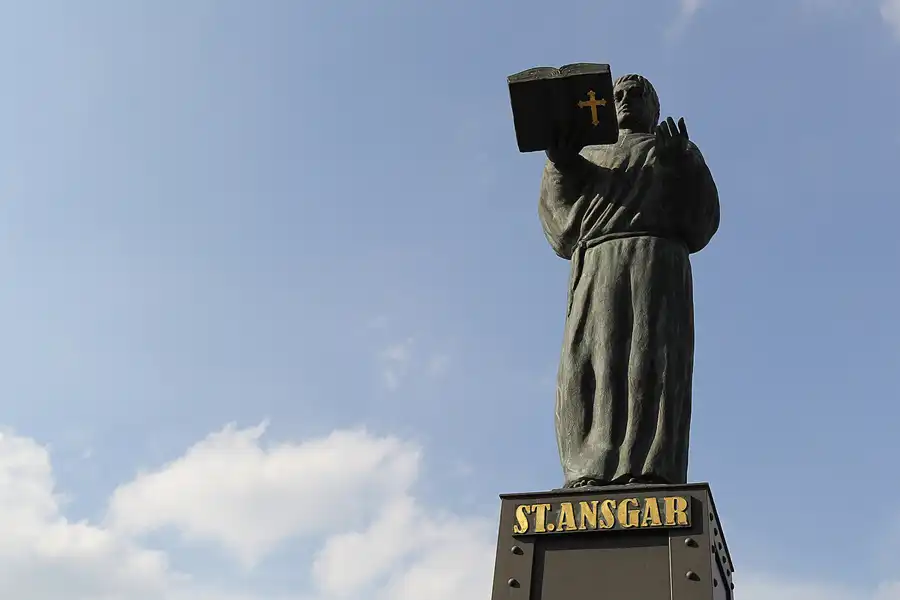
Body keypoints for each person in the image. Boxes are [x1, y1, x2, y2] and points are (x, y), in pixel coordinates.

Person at [539, 73, 720, 488]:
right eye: (617, 94)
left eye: (636, 94)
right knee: (590, 365)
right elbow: (559, 229)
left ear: (654, 106)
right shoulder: (587, 152)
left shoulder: (675, 150)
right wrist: (561, 165)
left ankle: (651, 468)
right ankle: (588, 469)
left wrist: (678, 167)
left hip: (655, 267)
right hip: (597, 267)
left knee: (649, 364)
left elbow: (702, 222)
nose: (624, 100)